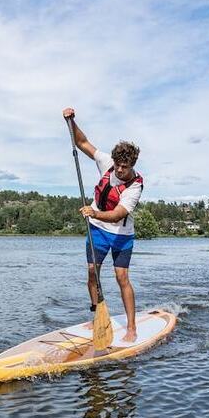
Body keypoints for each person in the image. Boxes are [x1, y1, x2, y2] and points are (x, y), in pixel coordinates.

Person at [63, 107, 144, 343]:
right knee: (92, 272)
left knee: (122, 277)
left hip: (121, 235)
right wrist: (71, 121)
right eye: (118, 165)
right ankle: (97, 313)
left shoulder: (135, 187)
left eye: (124, 167)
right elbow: (83, 143)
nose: (119, 170)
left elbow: (118, 214)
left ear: (132, 165)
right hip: (97, 230)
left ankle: (131, 327)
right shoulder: (108, 162)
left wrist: (94, 214)